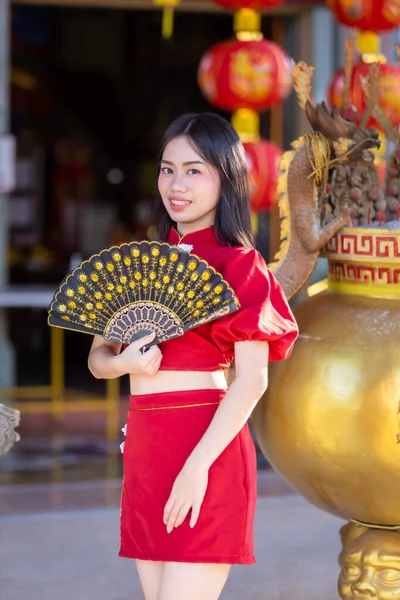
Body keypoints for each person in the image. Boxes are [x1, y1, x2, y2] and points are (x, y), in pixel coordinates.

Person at [88, 113, 299, 600]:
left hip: (207, 446)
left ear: (225, 179)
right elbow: (99, 357)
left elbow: (252, 380)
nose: (176, 184)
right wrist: (124, 365)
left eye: (193, 170)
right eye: (167, 169)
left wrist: (195, 467)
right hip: (144, 443)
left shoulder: (239, 264)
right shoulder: (143, 261)